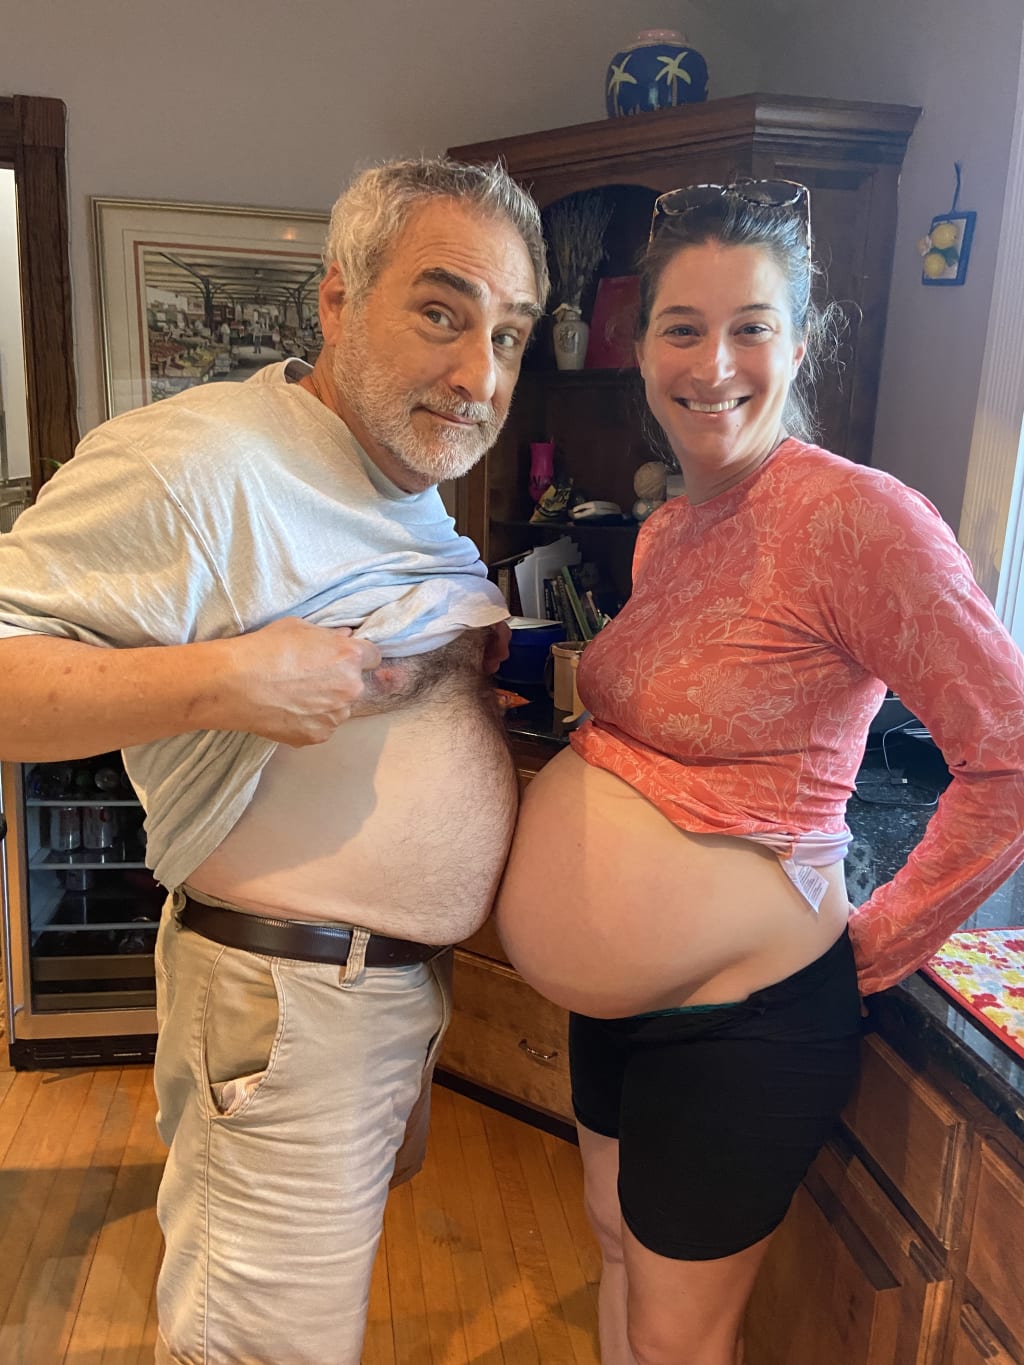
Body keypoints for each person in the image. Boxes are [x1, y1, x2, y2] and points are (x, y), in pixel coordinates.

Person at [0, 155, 547, 1365]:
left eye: (508, 336)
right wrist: (228, 681)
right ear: (338, 298)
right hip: (291, 998)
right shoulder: (198, 463)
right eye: (442, 313)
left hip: (381, 999)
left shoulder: (400, 480)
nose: (480, 375)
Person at [494, 179, 1024, 1365]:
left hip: (744, 1023)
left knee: (681, 1341)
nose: (714, 363)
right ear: (640, 350)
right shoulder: (671, 528)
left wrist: (875, 946)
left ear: (799, 340)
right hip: (622, 1012)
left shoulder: (860, 521)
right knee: (614, 1250)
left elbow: (1009, 752)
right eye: (682, 328)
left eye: (750, 327)